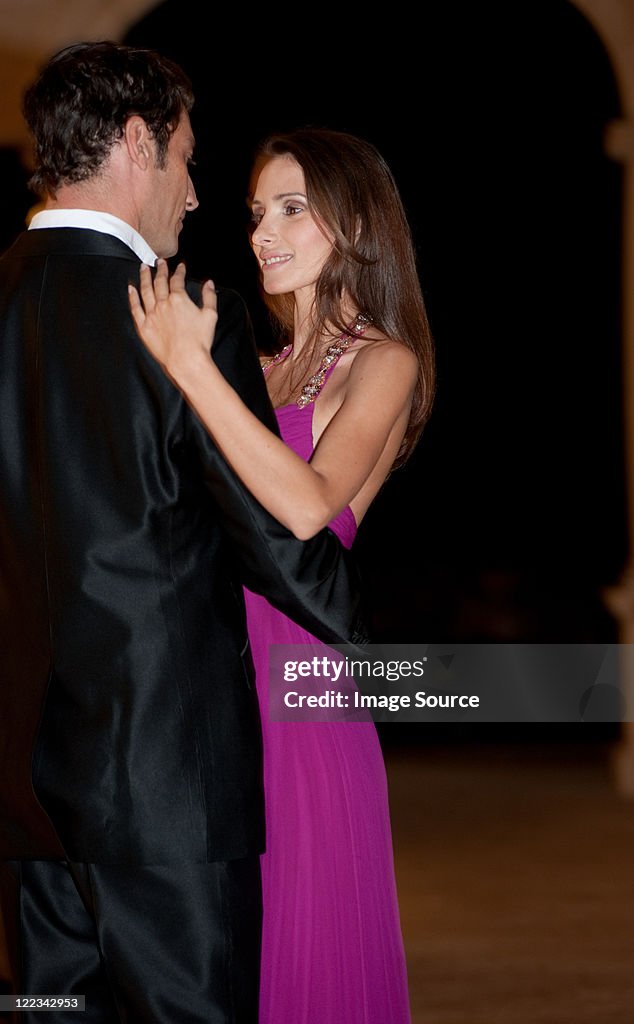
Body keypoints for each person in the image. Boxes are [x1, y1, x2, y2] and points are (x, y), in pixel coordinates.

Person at [0, 44, 367, 1024]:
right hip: (164, 796)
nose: (197, 196)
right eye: (187, 160)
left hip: (22, 806)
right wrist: (342, 610)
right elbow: (278, 543)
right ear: (135, 144)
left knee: (44, 1015)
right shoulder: (185, 315)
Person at [129, 127, 436, 1024]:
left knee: (309, 939)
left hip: (303, 682)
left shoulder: (386, 362)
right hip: (215, 672)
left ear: (356, 222)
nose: (264, 230)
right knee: (230, 942)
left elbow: (308, 507)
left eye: (294, 208)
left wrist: (188, 363)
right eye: (260, 211)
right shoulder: (254, 366)